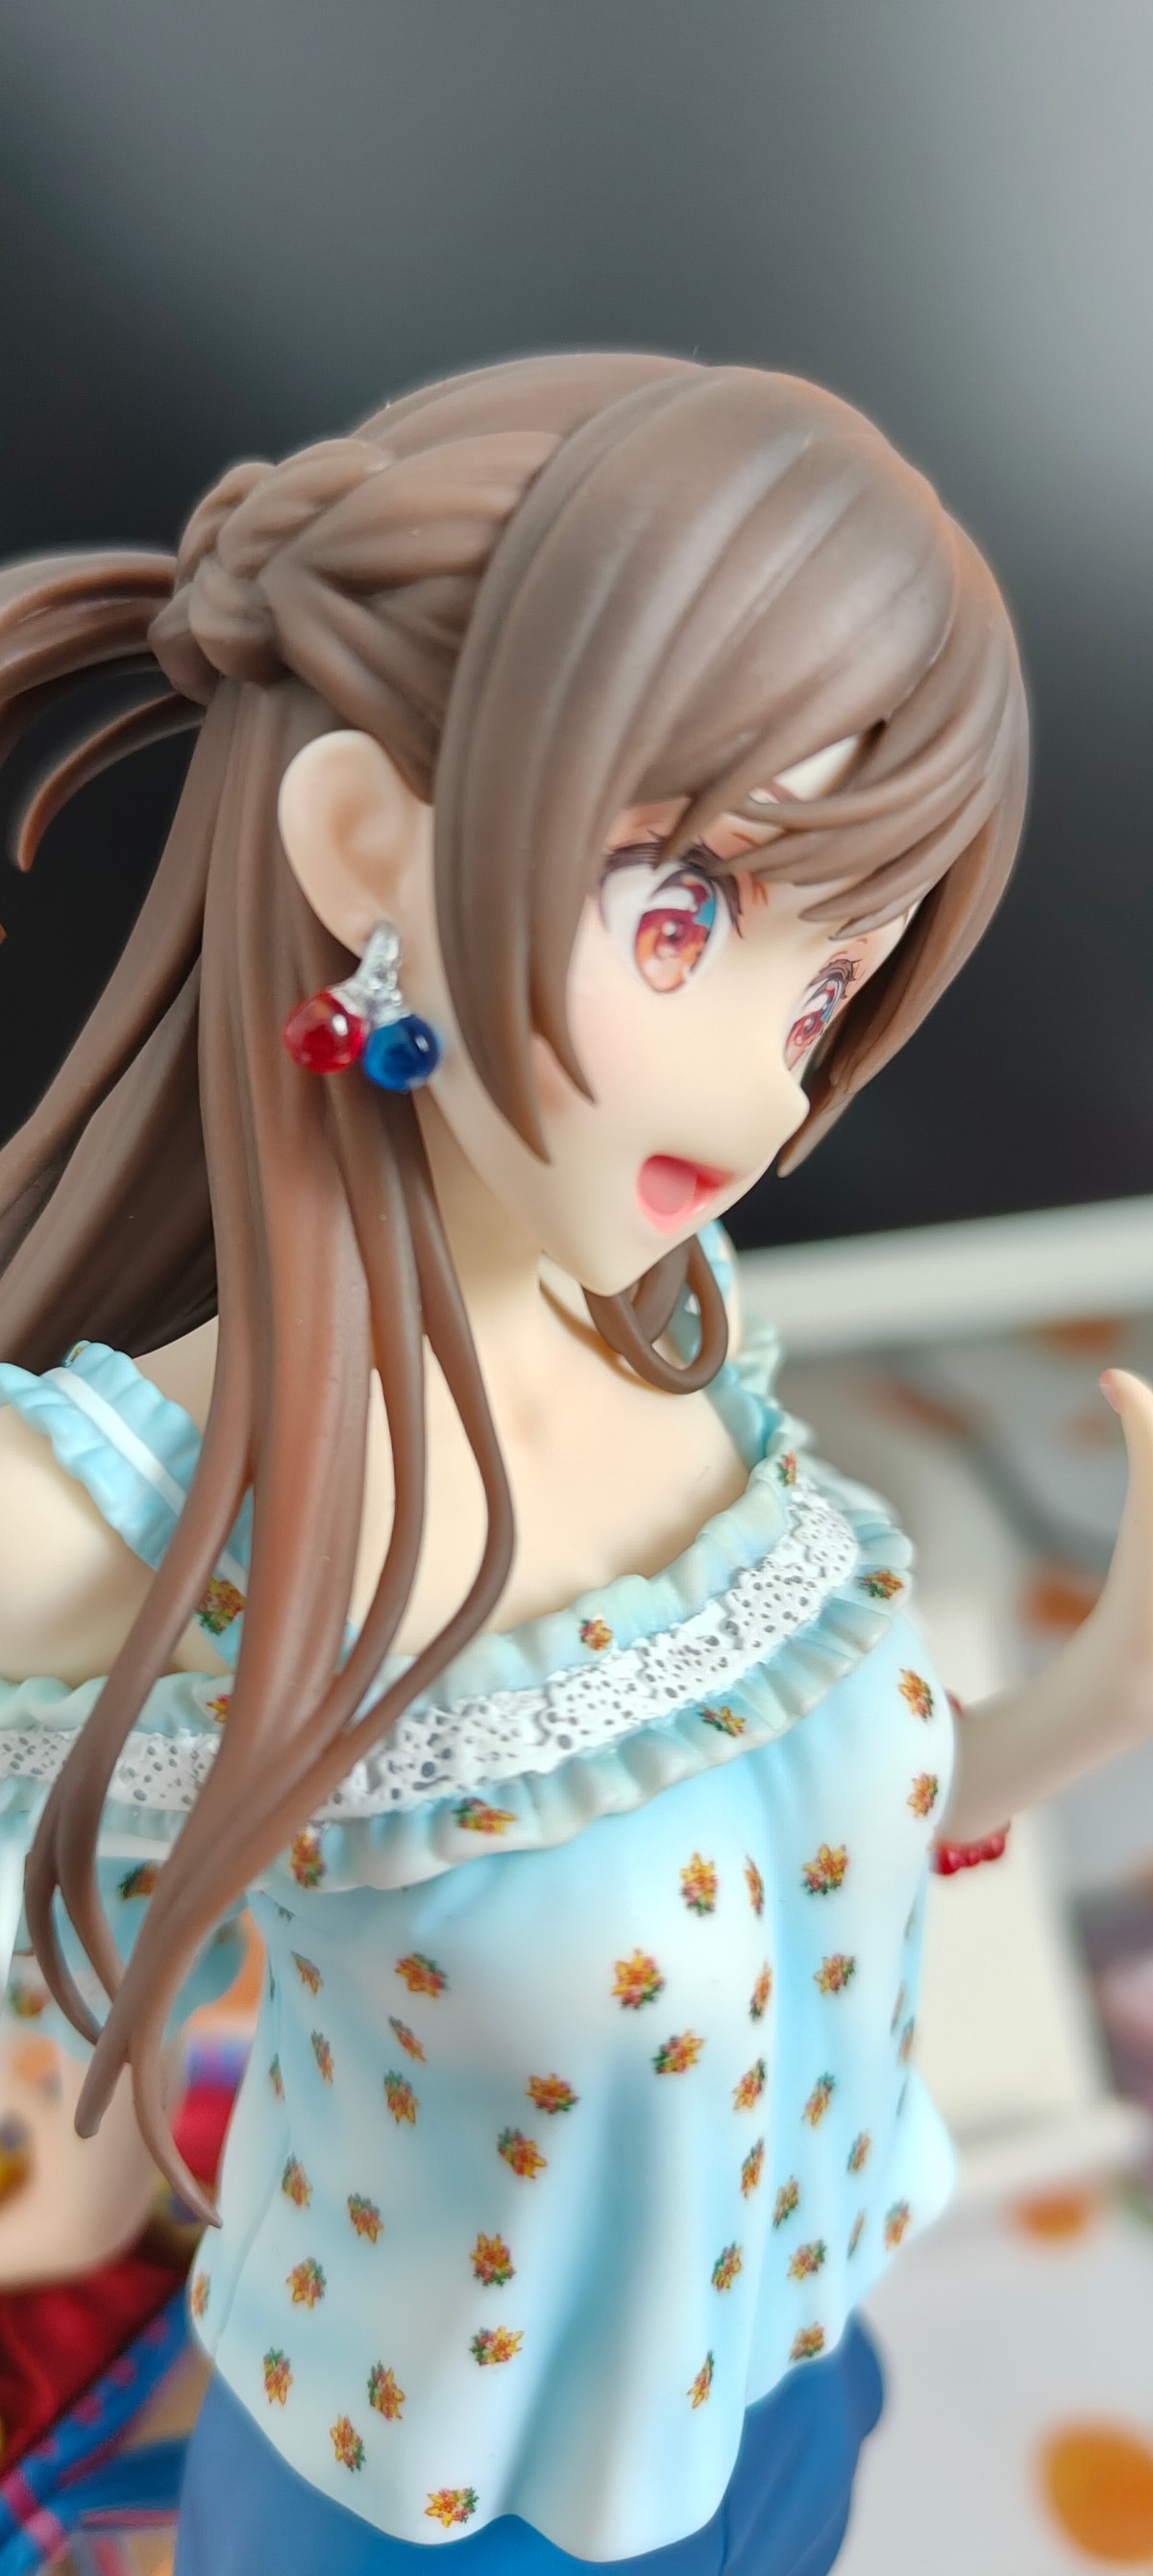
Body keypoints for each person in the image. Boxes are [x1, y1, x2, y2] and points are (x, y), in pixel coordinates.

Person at [0, 354, 1148, 2572]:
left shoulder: (686, 1325)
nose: (769, 1085)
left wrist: (1107, 1690)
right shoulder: (133, 1507)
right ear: (367, 854)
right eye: (684, 913)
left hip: (792, 2398)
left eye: (824, 986)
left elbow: (826, 1825)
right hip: (431, 2512)